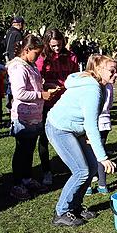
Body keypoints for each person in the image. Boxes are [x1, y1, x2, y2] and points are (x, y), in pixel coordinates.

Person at [45, 54, 117, 227]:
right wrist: (103, 157)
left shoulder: (97, 86)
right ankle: (61, 212)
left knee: (91, 167)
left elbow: (85, 117)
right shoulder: (92, 89)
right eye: (112, 71)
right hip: (60, 128)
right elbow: (92, 124)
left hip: (74, 129)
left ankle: (75, 207)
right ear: (99, 70)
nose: (116, 74)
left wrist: (86, 138)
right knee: (81, 171)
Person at [7, 35, 56, 200]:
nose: (39, 56)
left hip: (34, 115)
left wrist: (46, 87)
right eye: (36, 53)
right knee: (21, 151)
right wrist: (41, 94)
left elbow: (33, 86)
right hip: (23, 117)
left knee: (29, 150)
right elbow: (19, 93)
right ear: (26, 50)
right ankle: (17, 184)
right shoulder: (18, 68)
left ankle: (26, 179)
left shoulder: (32, 65)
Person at [35, 29, 79, 186]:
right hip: (47, 102)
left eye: (59, 45)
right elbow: (37, 79)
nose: (56, 48)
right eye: (53, 46)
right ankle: (46, 170)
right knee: (44, 138)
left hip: (66, 102)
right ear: (47, 44)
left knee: (71, 135)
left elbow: (75, 77)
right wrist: (47, 85)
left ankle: (74, 167)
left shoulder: (71, 57)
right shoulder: (42, 58)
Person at [86, 55, 116, 195]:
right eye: (113, 71)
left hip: (94, 123)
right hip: (104, 123)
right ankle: (102, 184)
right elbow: (109, 104)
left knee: (89, 155)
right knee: (101, 153)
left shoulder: (94, 86)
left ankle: (87, 186)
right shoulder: (108, 86)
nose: (115, 75)